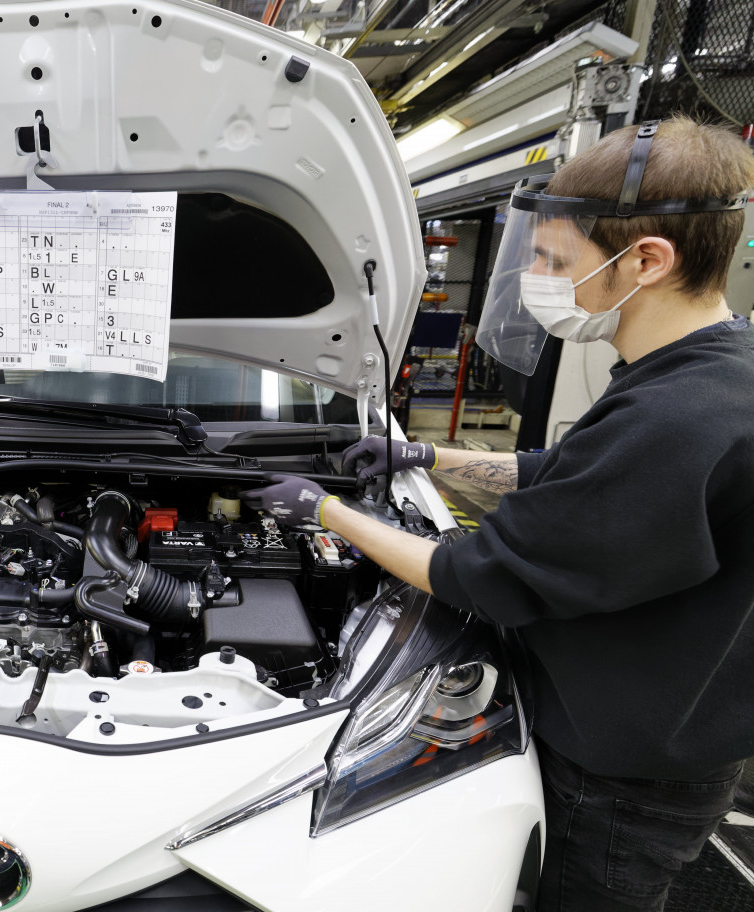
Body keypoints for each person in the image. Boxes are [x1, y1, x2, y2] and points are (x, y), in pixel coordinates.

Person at [245, 116, 754, 911]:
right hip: (646, 732)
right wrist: (429, 457)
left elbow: (472, 577)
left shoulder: (680, 417)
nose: (538, 277)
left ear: (648, 260)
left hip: (619, 778)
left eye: (556, 260)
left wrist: (326, 512)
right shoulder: (708, 370)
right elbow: (570, 478)